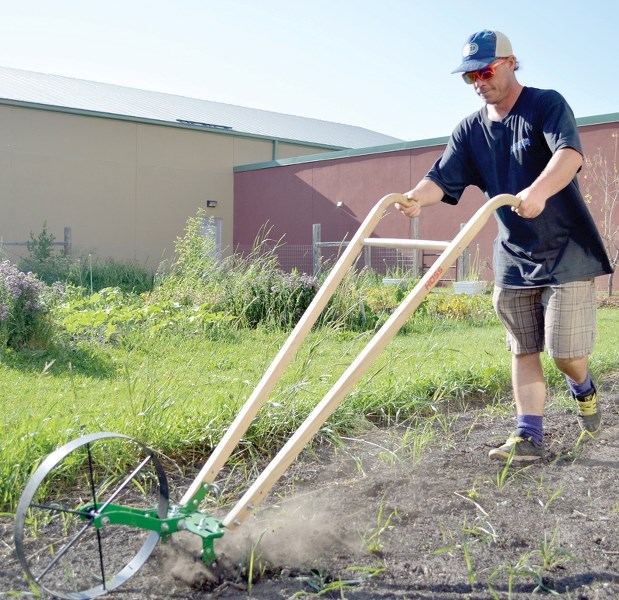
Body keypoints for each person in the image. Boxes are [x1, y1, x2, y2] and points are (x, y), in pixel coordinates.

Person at [395, 30, 613, 462]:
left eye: (485, 70)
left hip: (565, 251)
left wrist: (539, 191)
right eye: (469, 76)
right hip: (514, 257)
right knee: (523, 346)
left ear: (512, 63)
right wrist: (417, 197)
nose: (478, 81)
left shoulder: (545, 104)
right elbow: (441, 177)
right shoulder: (471, 130)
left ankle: (582, 386)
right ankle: (528, 436)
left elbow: (568, 155)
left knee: (566, 355)